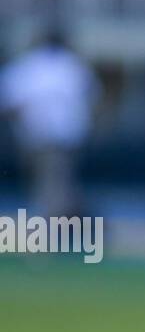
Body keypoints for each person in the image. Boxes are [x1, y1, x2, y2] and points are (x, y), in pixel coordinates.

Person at [0, 27, 100, 217]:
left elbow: (10, 104)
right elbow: (93, 99)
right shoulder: (73, 65)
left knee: (50, 181)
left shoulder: (28, 65)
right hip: (69, 135)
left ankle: (55, 221)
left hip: (39, 135)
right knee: (59, 179)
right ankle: (69, 218)